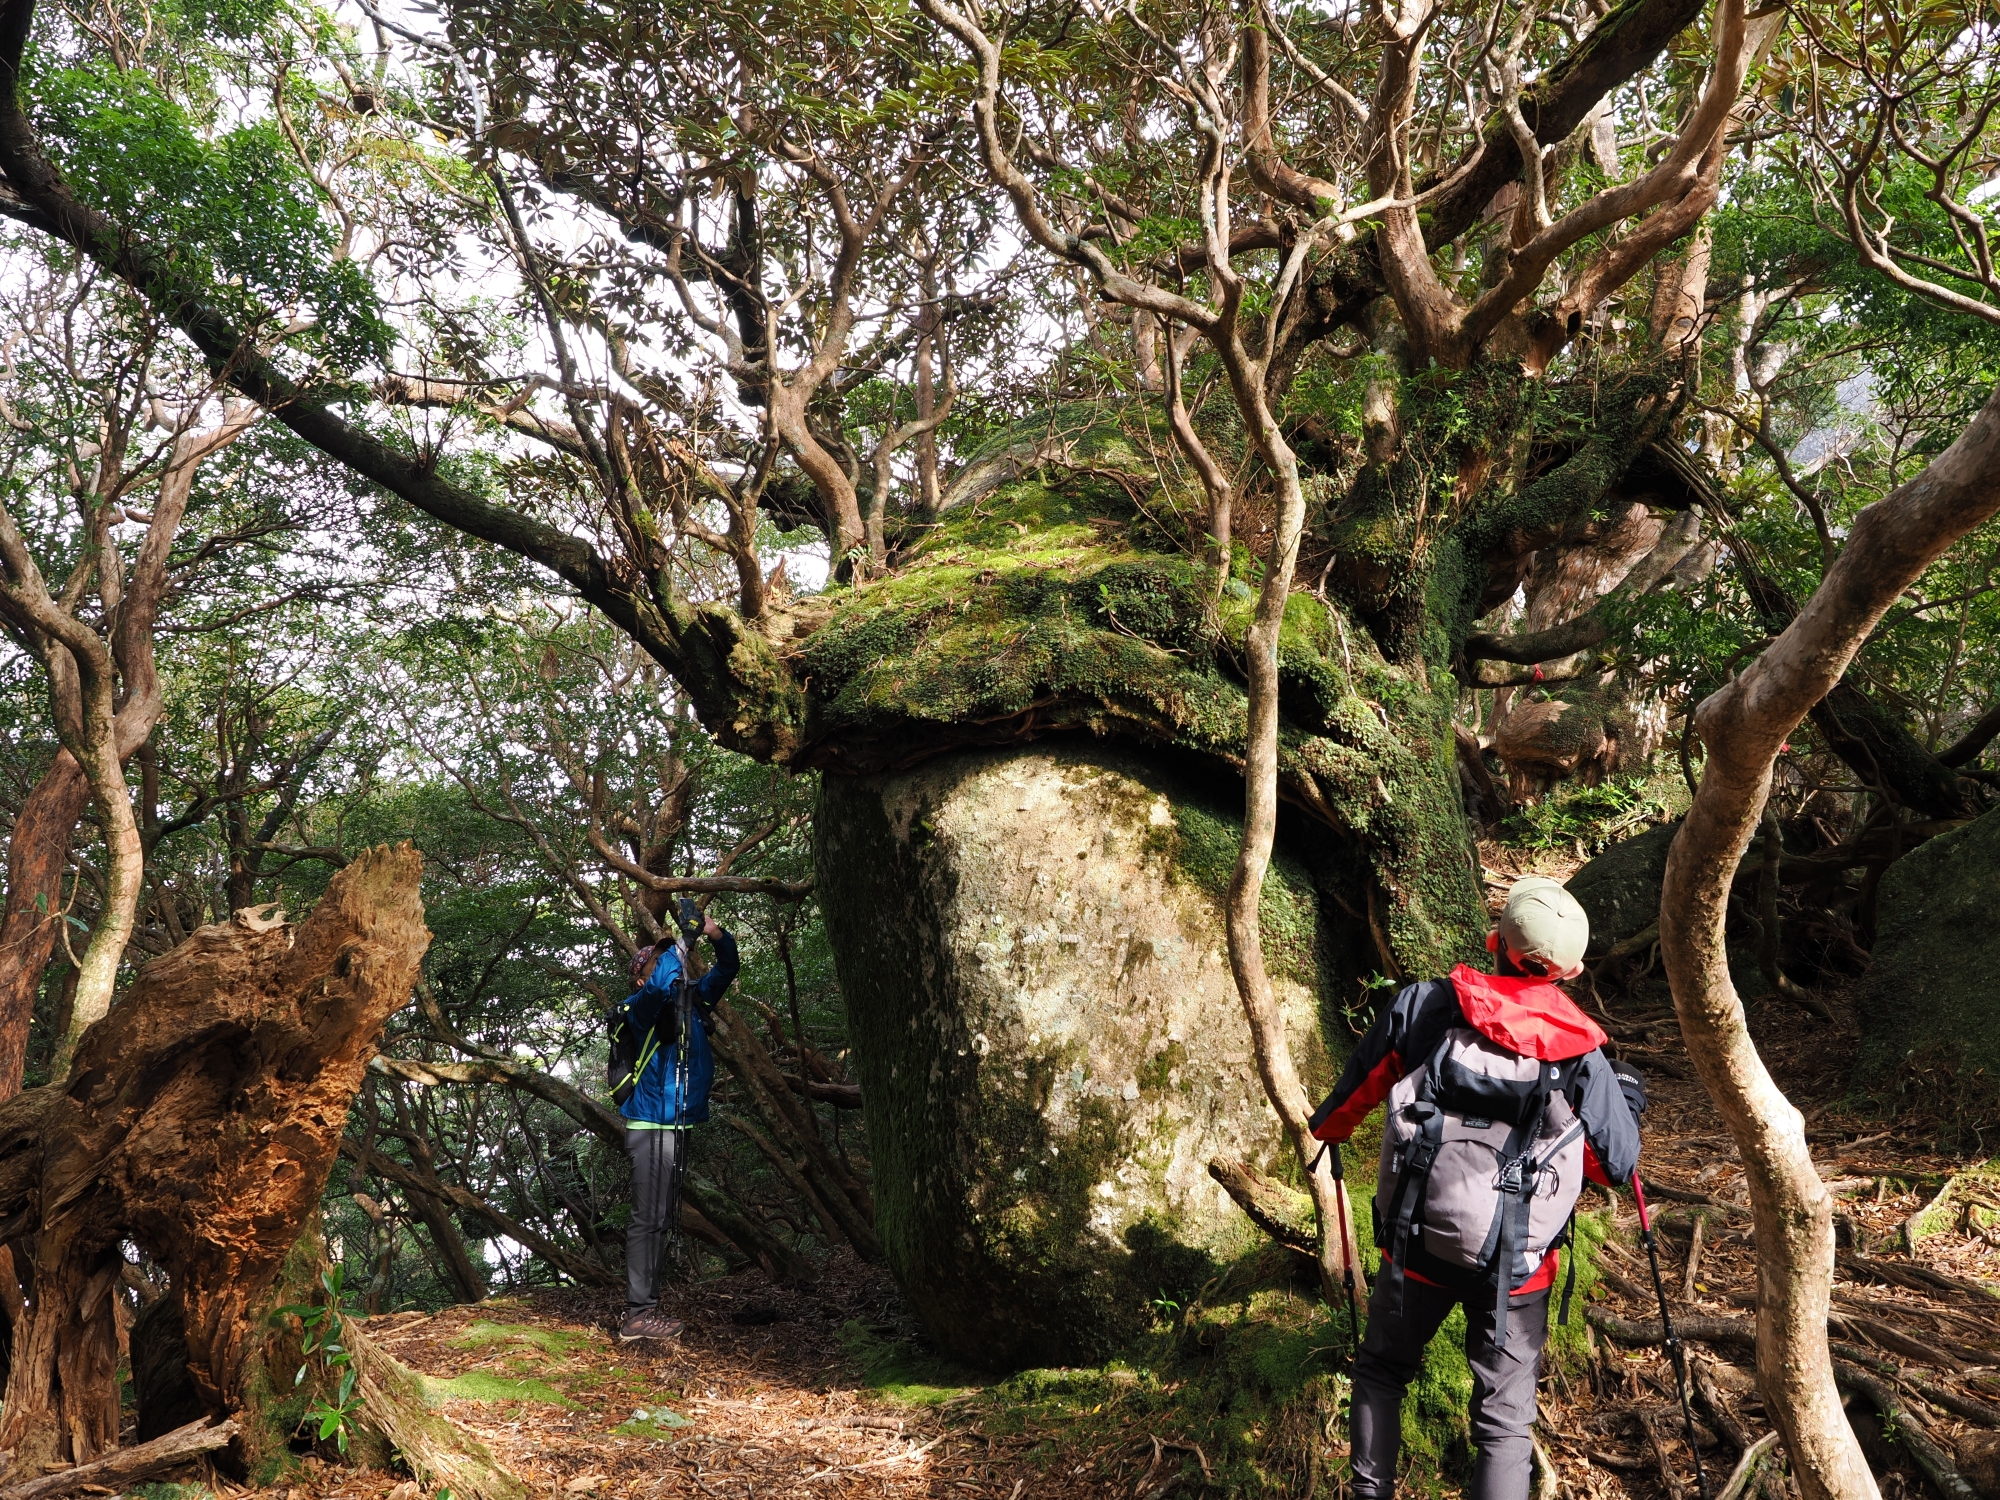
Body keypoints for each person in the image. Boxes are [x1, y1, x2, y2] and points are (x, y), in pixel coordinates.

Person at [1309, 876, 1647, 1500]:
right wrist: (1625, 1100)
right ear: (1569, 971)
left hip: (1416, 1241)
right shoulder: (1580, 1056)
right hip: (1517, 1268)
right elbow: (1614, 1167)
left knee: (1382, 1371)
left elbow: (1350, 1101)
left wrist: (1328, 1131)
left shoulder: (1426, 1008)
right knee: (1503, 1425)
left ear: (1494, 940)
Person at [615, 907, 738, 1343]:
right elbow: (664, 979)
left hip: (675, 1127)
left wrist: (711, 932)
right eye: (657, 963)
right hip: (650, 1125)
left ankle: (647, 1307)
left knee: (662, 1215)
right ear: (641, 978)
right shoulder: (640, 1007)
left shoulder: (692, 1001)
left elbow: (728, 967)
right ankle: (638, 1316)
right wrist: (680, 945)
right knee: (648, 1217)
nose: (672, 966)